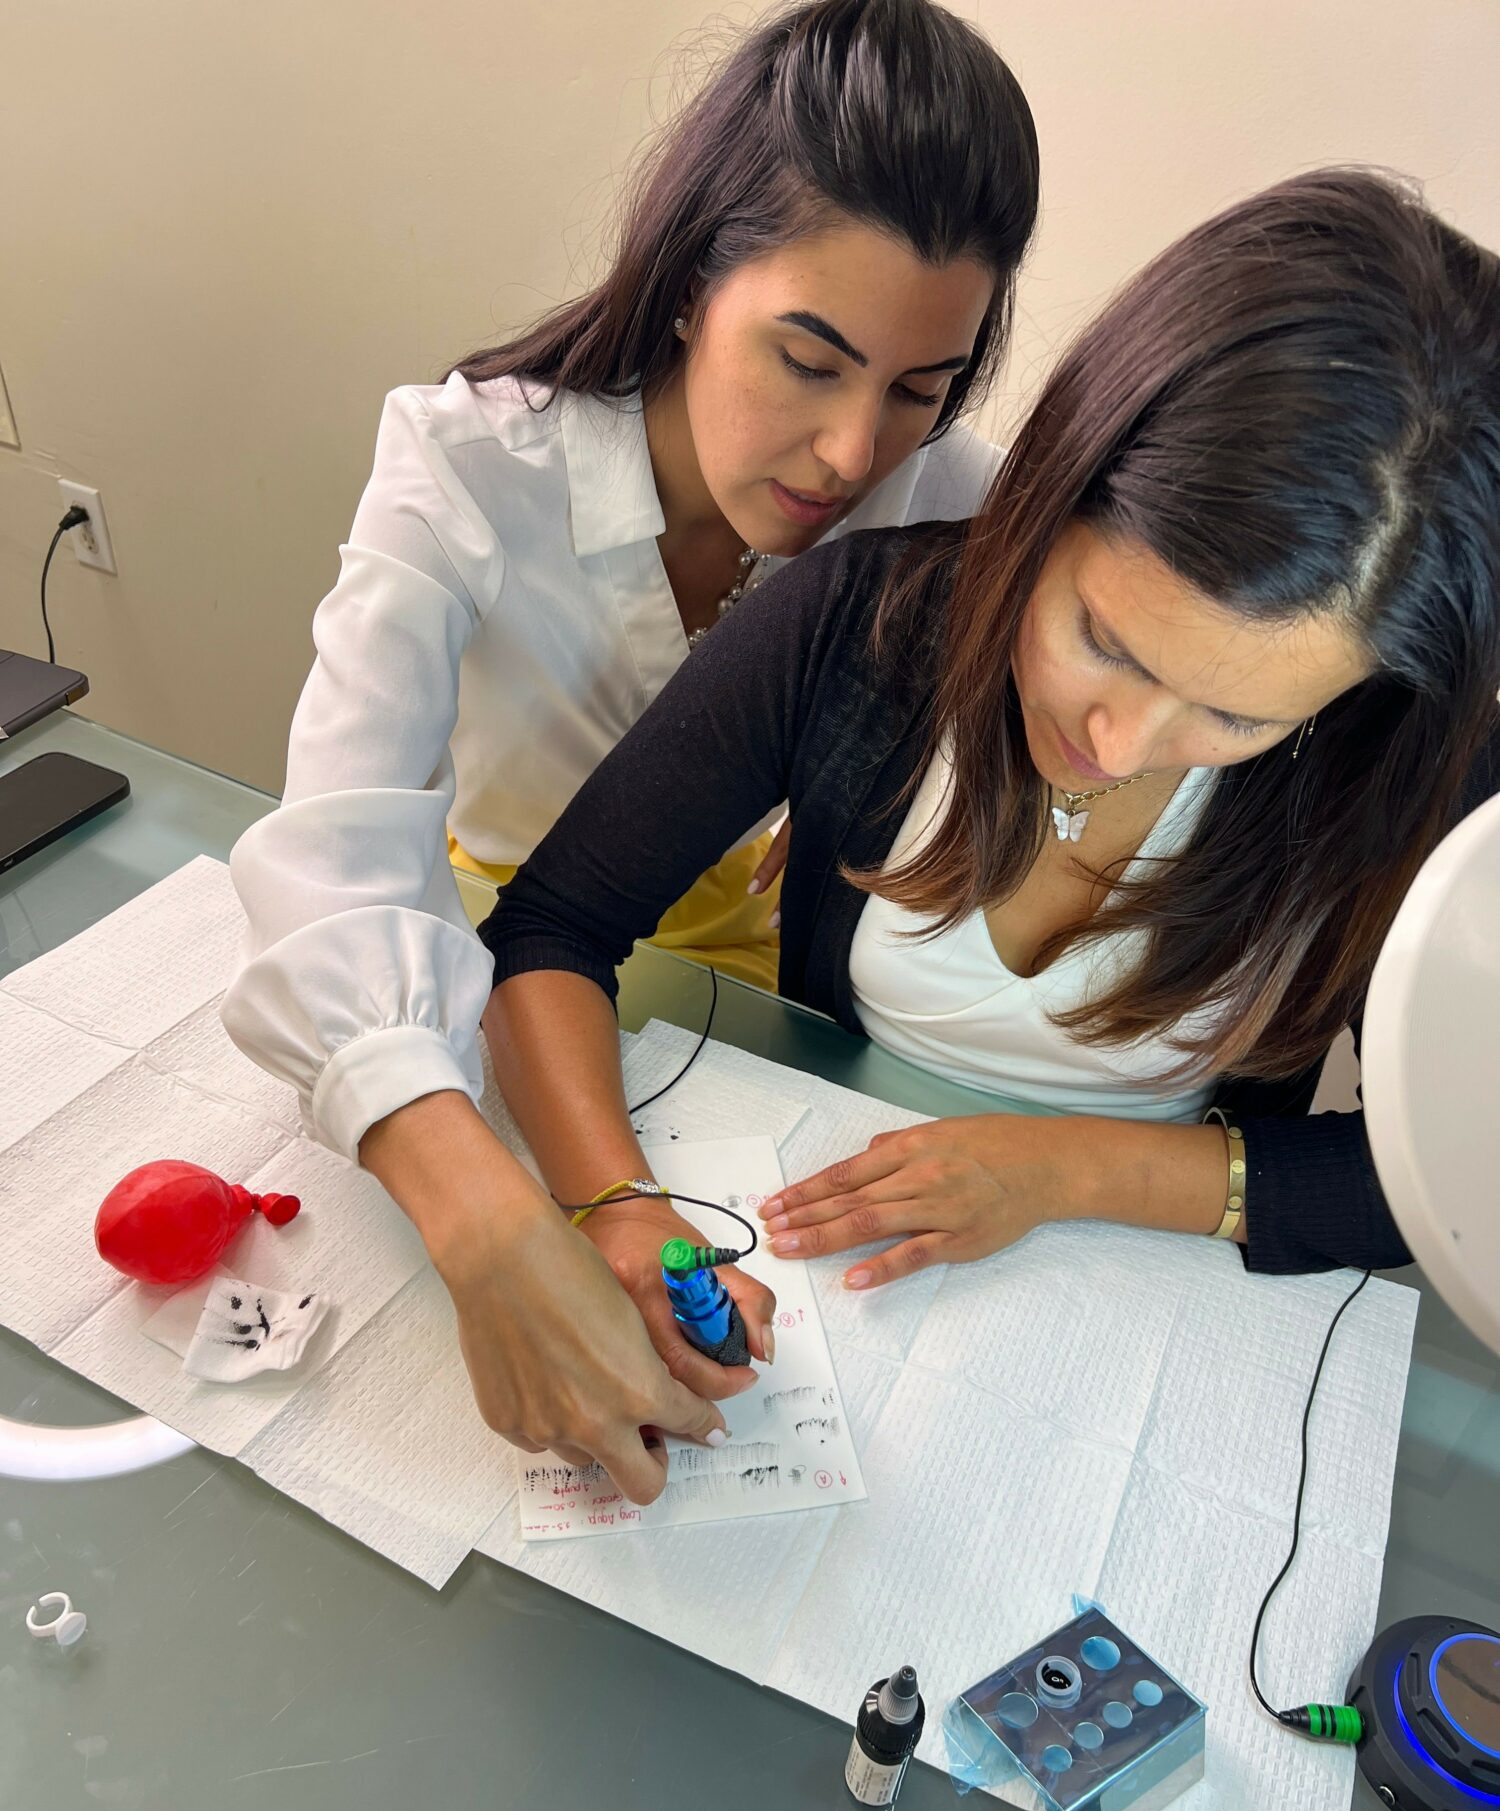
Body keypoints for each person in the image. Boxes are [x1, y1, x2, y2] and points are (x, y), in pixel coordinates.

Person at [483, 169, 1500, 1394]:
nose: (1120, 741)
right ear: (1052, 490)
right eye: (1105, 640)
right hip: (833, 1260)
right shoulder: (856, 627)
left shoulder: (1417, 779)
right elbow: (552, 926)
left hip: (1153, 1311)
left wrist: (1062, 1168)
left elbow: (1461, 1179)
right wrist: (617, 1205)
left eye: (1236, 715)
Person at [220, 0, 1040, 1504]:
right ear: (688, 280)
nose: (853, 453)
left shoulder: (949, 500)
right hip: (488, 967)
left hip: (768, 1000)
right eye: (808, 360)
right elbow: (333, 850)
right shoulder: (468, 463)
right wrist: (483, 1219)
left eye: (919, 389)